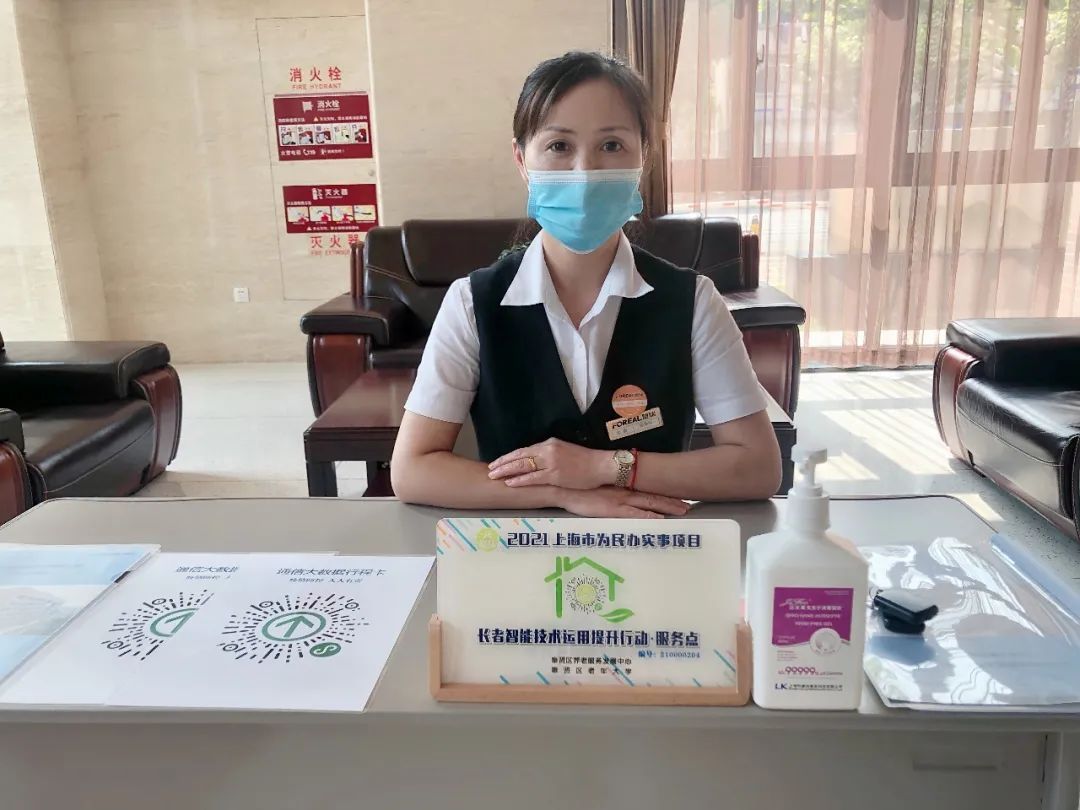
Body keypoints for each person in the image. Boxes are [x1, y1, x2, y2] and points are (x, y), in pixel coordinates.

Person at [391, 51, 781, 519]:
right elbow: (412, 470)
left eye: (611, 145)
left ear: (644, 157)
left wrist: (603, 467)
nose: (585, 172)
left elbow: (758, 466)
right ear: (521, 160)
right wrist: (563, 493)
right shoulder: (473, 303)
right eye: (559, 146)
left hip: (650, 546)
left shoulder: (691, 301)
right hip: (517, 549)